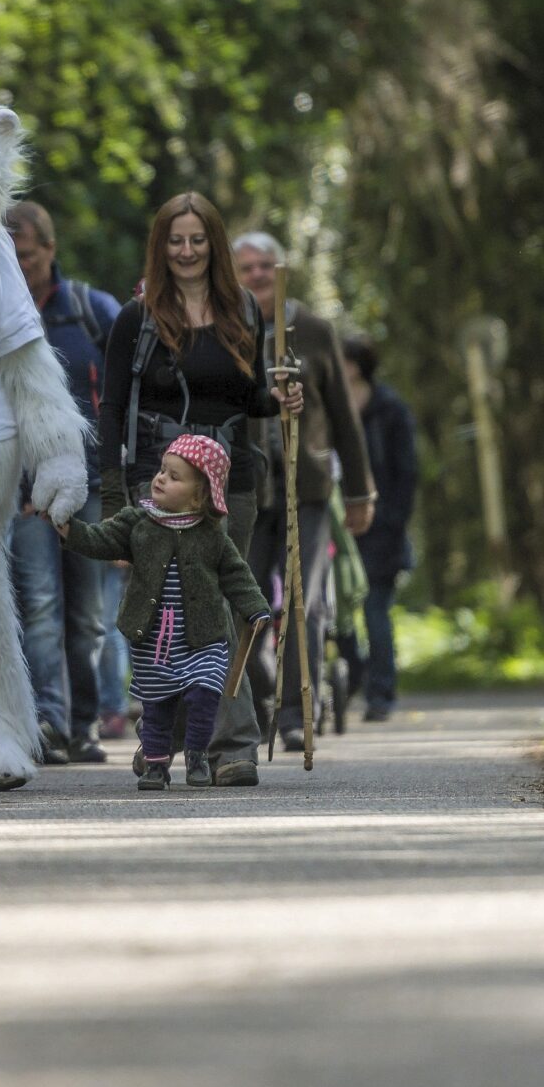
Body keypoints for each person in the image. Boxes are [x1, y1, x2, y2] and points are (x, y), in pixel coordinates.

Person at [94, 192, 303, 787]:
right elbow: (111, 412)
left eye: (197, 240)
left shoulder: (242, 309)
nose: (186, 251)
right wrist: (113, 506)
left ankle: (229, 746)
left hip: (230, 478)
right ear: (161, 248)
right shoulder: (137, 319)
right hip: (157, 487)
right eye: (175, 241)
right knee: (165, 609)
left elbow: (248, 398)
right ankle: (167, 739)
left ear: (214, 244)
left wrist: (282, 396)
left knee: (219, 599)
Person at [229, 233, 375, 752]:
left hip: (306, 490)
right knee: (242, 604)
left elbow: (342, 416)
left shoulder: (313, 331)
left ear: (282, 269)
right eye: (246, 268)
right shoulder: (224, 327)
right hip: (246, 491)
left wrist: (360, 493)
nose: (257, 276)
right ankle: (255, 701)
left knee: (303, 602)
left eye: (266, 266)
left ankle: (295, 714)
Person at [64, 435, 272, 790]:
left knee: (205, 691)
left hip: (203, 637)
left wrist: (256, 609)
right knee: (157, 704)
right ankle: (156, 766)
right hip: (154, 638)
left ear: (199, 495)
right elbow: (99, 540)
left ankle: (196, 754)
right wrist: (66, 527)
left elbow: (238, 576)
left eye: (174, 477)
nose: (160, 478)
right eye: (162, 470)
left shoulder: (212, 535)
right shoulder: (137, 522)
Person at [3, 200, 120, 764]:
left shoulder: (91, 310)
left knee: (89, 614)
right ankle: (47, 721)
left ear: (50, 250)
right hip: (22, 489)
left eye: (27, 256)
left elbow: (126, 394)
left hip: (92, 484)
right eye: (10, 257)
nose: (19, 267)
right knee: (40, 605)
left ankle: (85, 722)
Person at [340, 333, 420, 721]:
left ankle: (381, 694)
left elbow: (407, 472)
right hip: (339, 525)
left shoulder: (390, 409)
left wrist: (391, 520)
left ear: (356, 365)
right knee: (336, 612)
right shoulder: (332, 406)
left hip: (383, 529)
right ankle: (352, 675)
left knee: (375, 610)